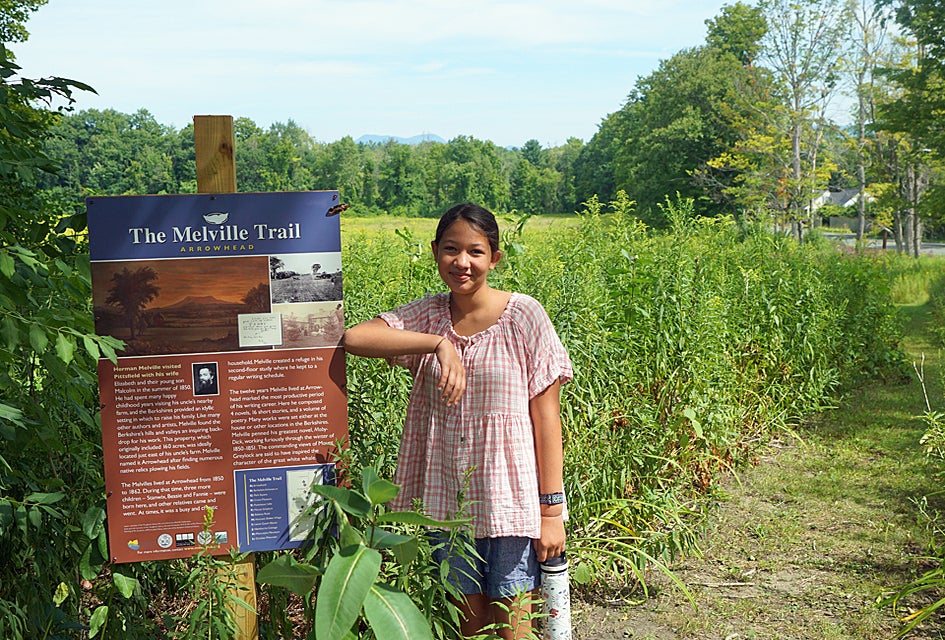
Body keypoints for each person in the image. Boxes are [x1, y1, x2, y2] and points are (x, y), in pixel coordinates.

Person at [343, 202, 572, 639]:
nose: (461, 262)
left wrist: (551, 512)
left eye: (475, 252)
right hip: (446, 504)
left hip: (509, 501)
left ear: (495, 258)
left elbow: (547, 420)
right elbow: (355, 337)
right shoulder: (428, 315)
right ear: (434, 252)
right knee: (466, 625)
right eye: (451, 249)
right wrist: (438, 345)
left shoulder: (524, 316)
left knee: (512, 625)